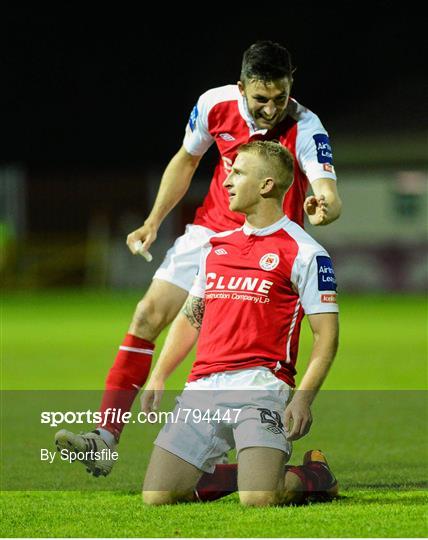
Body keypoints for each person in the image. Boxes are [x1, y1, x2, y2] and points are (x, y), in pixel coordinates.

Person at [55, 40, 341, 477]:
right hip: (211, 232)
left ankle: (252, 451)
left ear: (291, 87)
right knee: (147, 314)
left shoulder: (306, 126)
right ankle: (103, 438)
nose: (270, 109)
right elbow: (186, 161)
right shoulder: (214, 104)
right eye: (261, 99)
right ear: (241, 86)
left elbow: (327, 192)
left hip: (265, 246)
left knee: (248, 355)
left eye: (280, 97)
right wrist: (153, 221)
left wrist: (322, 208)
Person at [141, 141, 339, 506]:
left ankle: (315, 474)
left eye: (237, 172)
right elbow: (191, 316)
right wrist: (159, 374)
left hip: (262, 386)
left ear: (266, 185)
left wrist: (302, 399)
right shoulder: (215, 246)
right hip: (203, 386)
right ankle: (244, 470)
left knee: (259, 499)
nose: (226, 182)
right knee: (157, 496)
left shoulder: (305, 252)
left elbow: (326, 337)